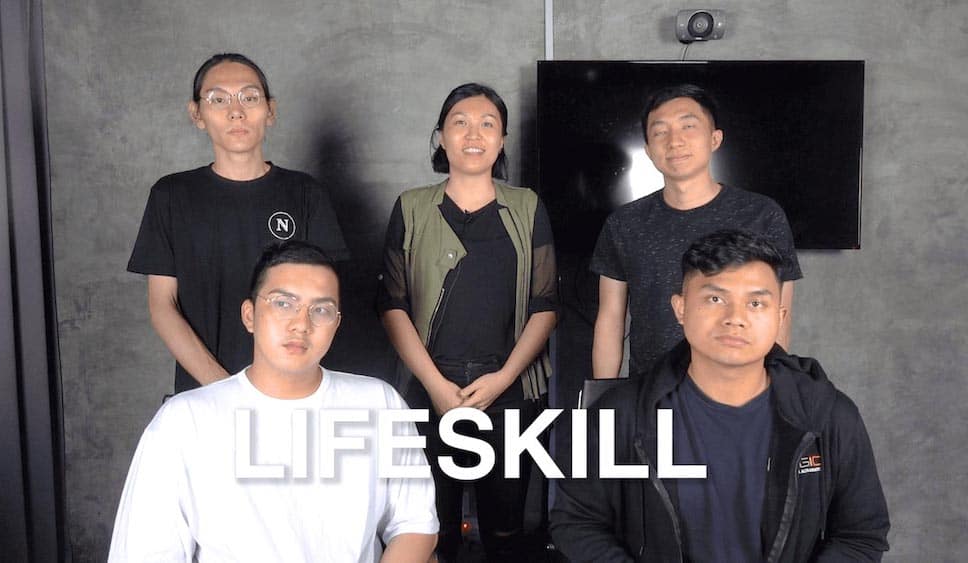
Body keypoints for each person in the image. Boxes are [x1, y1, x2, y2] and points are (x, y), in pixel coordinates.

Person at [551, 230, 889, 561]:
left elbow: (861, 536)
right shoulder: (619, 415)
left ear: (779, 317)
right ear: (681, 308)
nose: (735, 319)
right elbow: (577, 523)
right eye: (715, 299)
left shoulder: (826, 415)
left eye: (755, 303)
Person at [109, 241, 437, 562]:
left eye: (321, 310)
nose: (301, 324)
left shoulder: (379, 403)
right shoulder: (183, 421)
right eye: (283, 304)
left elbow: (416, 524)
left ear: (336, 324)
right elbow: (145, 551)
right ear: (249, 315)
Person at [378, 83, 557, 561]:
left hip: (510, 390)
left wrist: (503, 379)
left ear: (501, 141)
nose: (473, 134)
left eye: (487, 124)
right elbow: (392, 304)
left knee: (507, 530)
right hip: (427, 389)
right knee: (429, 528)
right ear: (441, 136)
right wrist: (436, 386)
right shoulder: (411, 206)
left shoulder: (527, 206)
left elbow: (545, 305)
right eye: (460, 122)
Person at [127, 53, 349, 394]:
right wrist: (224, 389)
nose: (236, 111)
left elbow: (321, 303)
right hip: (205, 393)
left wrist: (277, 389)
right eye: (218, 99)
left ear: (270, 110)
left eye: (250, 97)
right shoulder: (171, 195)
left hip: (291, 391)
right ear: (196, 114)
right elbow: (162, 306)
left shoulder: (306, 193)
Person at [591, 84, 802, 379]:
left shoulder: (762, 215)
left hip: (736, 389)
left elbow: (778, 315)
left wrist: (770, 389)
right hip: (649, 390)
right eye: (660, 132)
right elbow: (610, 319)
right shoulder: (624, 223)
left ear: (715, 138)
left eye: (688, 126)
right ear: (649, 150)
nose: (675, 141)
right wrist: (603, 394)